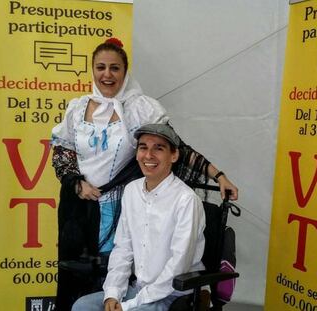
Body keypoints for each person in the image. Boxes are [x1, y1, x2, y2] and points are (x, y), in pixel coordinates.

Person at [51, 37, 238, 310]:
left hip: (115, 203)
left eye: (115, 68)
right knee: (78, 281)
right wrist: (76, 182)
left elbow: (175, 147)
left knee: (116, 264)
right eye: (100, 67)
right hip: (80, 207)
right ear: (92, 70)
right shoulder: (78, 108)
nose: (107, 74)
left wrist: (218, 175)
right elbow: (62, 149)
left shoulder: (139, 108)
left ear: (125, 73)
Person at [72, 123, 206, 311]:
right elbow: (123, 247)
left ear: (174, 155)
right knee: (82, 306)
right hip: (138, 288)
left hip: (172, 293)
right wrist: (113, 294)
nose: (149, 155)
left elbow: (179, 265)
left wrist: (130, 305)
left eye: (158, 148)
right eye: (143, 148)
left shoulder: (186, 200)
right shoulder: (132, 190)